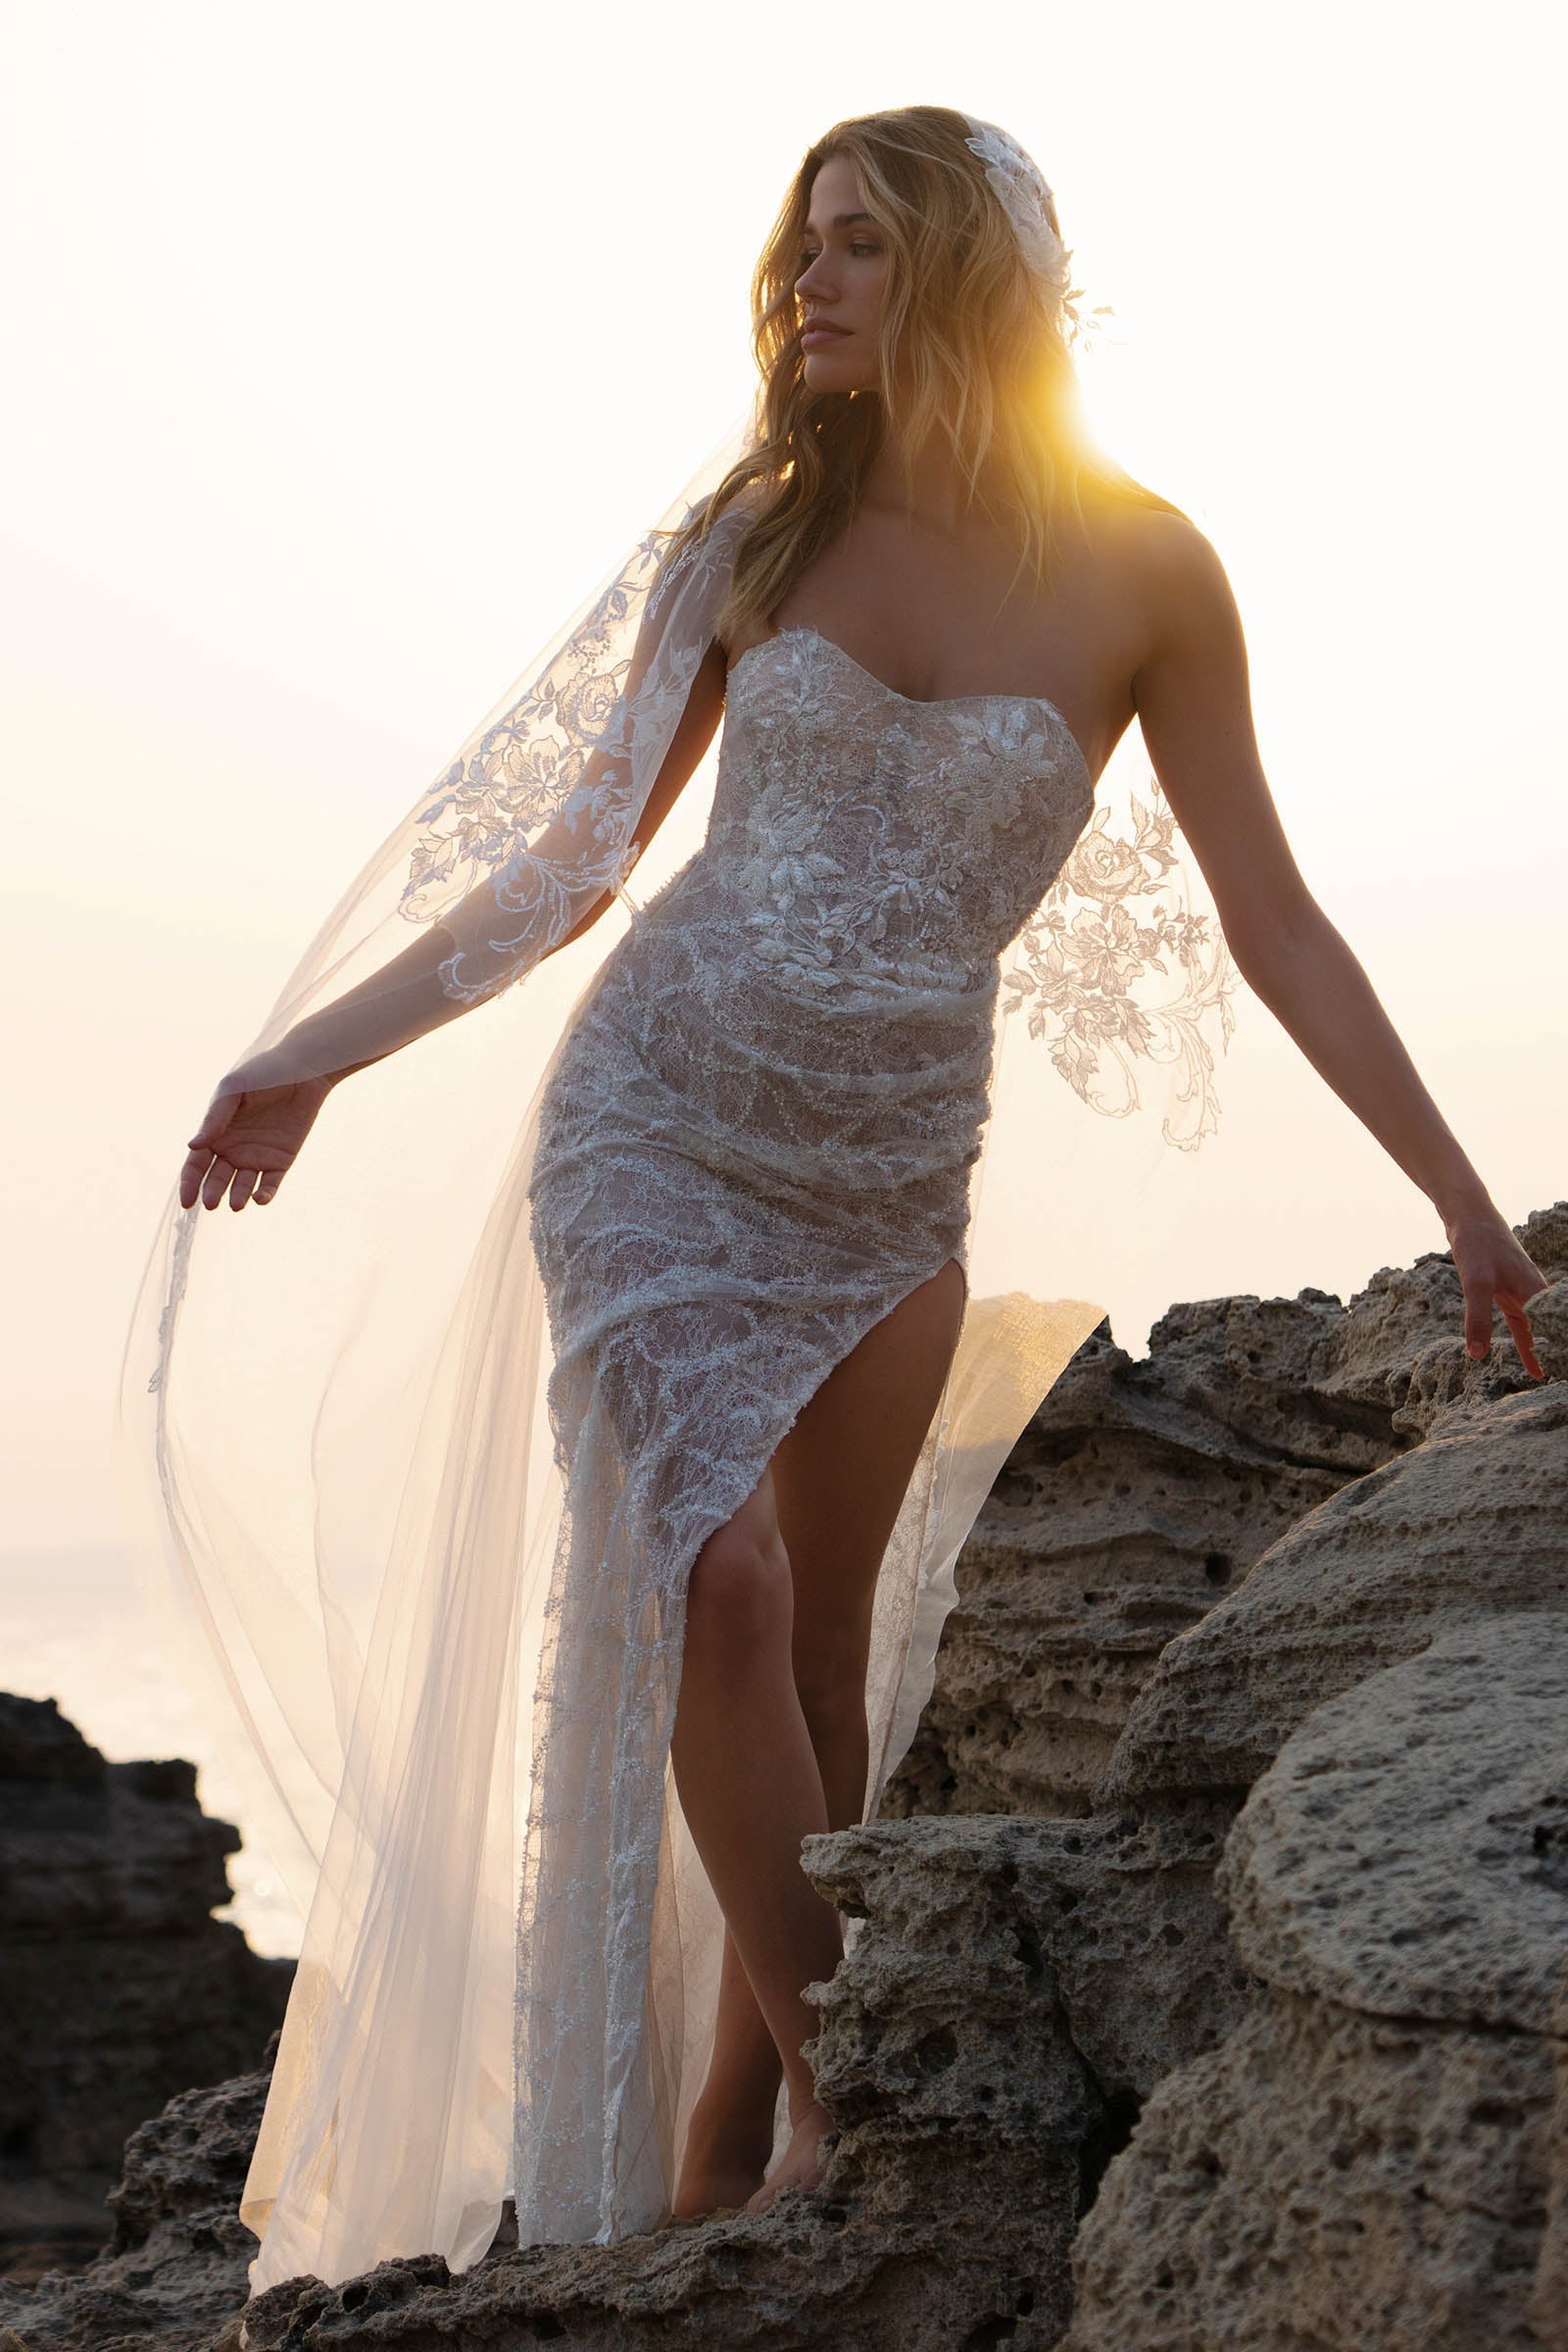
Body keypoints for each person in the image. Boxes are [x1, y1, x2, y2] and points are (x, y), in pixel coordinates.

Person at [129, 104, 1547, 2299]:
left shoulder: (1147, 569)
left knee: (819, 1668)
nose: (808, 287)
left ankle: (730, 2137)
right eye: (797, 253)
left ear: (966, 274)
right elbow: (572, 862)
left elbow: (1275, 919)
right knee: (726, 1590)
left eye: (859, 248)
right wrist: (310, 1048)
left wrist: (1459, 1195)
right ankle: (861, 2102)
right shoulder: (755, 541)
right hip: (658, 1124)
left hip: (888, 1176)